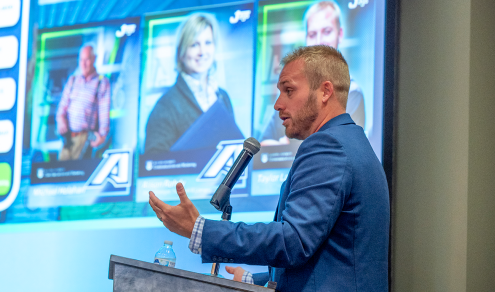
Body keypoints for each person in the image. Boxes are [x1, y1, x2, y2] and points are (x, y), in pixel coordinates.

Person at [149, 45, 389, 291]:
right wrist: (252, 281)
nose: (277, 104)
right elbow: (329, 259)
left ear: (325, 91)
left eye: (288, 90)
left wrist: (200, 230)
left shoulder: (328, 146)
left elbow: (293, 242)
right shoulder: (354, 144)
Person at [261, 0, 365, 144]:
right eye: (312, 34)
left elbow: (335, 148)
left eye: (327, 31)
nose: (319, 41)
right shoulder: (288, 98)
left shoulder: (352, 93)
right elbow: (262, 147)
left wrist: (286, 143)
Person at [144, 13, 235, 154]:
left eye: (208, 43)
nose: (202, 52)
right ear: (181, 52)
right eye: (194, 45)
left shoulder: (223, 97)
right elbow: (154, 162)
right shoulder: (165, 106)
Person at [56, 44, 111, 160]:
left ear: (94, 59)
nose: (83, 64)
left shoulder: (101, 82)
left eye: (87, 60)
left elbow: (104, 113)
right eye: (81, 60)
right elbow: (62, 108)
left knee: (77, 172)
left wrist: (102, 136)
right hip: (67, 138)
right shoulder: (73, 80)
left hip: (86, 137)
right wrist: (61, 121)